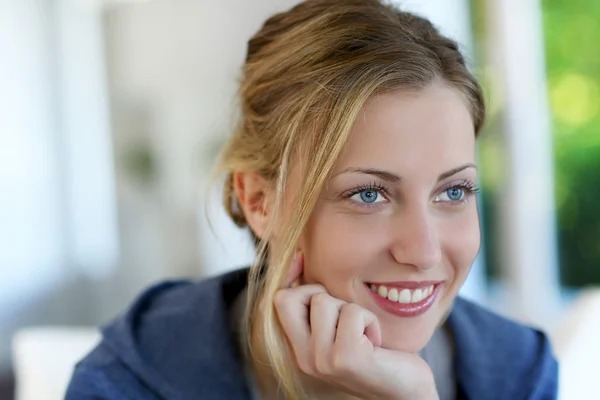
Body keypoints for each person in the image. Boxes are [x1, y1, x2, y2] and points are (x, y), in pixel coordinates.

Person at [66, 0, 558, 399]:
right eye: (369, 194)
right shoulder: (128, 383)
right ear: (259, 201)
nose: (425, 252)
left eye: (453, 191)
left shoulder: (517, 373)